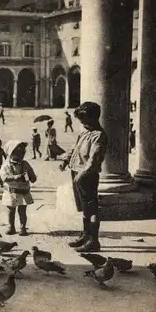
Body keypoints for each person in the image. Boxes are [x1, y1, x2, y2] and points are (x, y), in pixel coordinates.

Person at [59, 101, 108, 252]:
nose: (83, 124)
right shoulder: (85, 133)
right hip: (77, 173)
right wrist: (66, 160)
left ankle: (93, 240)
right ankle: (86, 235)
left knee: (91, 208)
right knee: (84, 208)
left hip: (87, 175)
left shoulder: (98, 136)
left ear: (94, 118)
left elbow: (94, 159)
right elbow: (75, 149)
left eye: (85, 121)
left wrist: (83, 174)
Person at [0, 140, 37, 236]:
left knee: (22, 210)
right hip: (12, 191)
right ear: (11, 152)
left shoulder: (25, 164)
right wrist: (16, 177)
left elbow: (32, 176)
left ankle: (23, 227)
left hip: (23, 191)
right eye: (19, 152)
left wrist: (32, 177)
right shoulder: (6, 165)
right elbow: (4, 177)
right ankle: (11, 227)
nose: (22, 153)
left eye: (23, 151)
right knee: (11, 210)